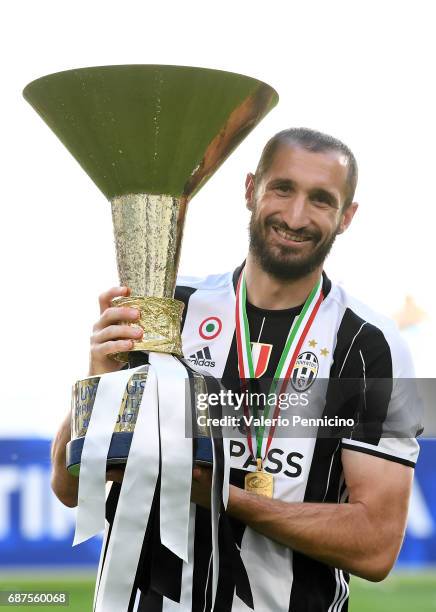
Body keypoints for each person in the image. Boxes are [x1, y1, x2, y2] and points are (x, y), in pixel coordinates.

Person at [51, 128, 421, 611]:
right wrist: (100, 382)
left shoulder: (371, 345)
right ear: (251, 189)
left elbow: (376, 546)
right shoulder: (167, 307)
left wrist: (221, 495)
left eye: (321, 200)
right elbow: (69, 489)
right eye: (282, 188)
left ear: (347, 216)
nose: (295, 216)